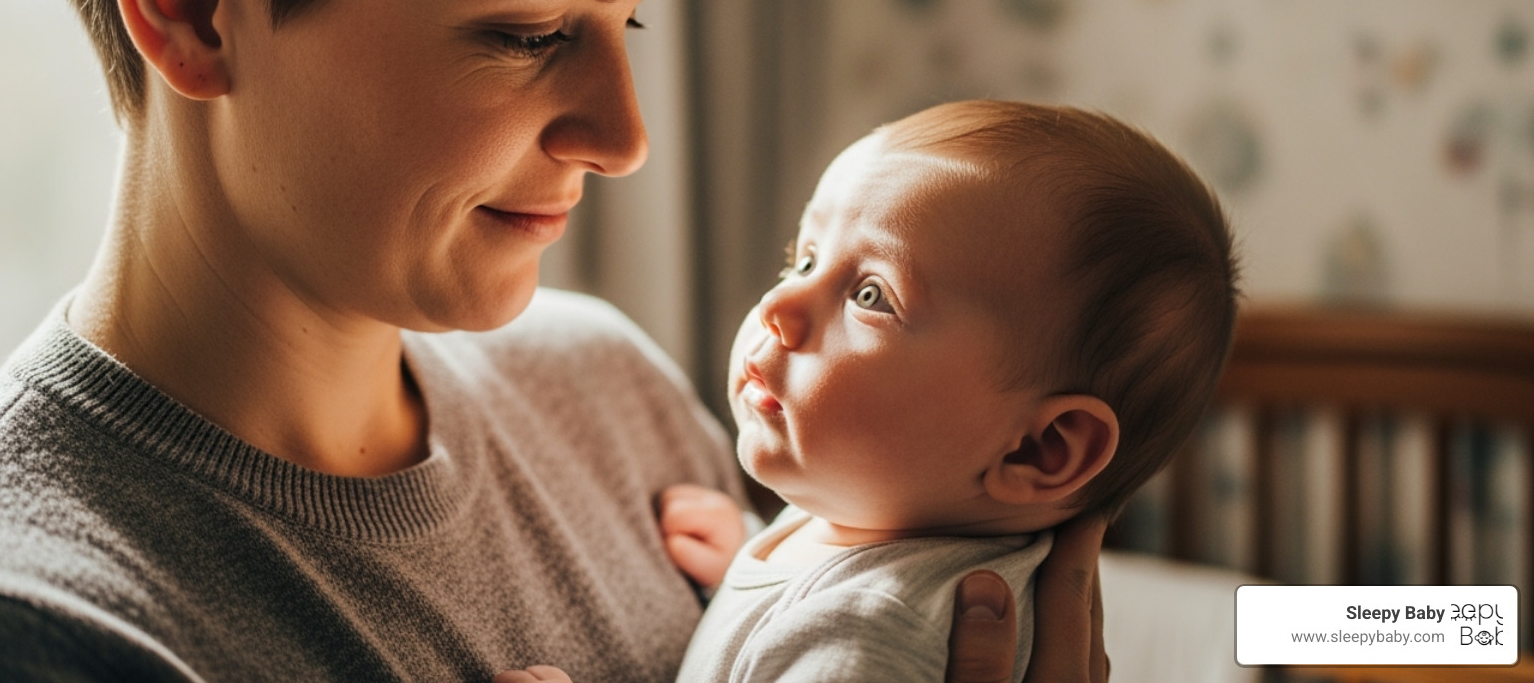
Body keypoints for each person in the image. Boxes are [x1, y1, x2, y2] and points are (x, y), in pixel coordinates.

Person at [0, 0, 1108, 681]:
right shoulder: (53, 624)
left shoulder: (609, 394)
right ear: (191, 2)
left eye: (630, 20)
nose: (624, 139)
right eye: (529, 32)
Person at [503, 100, 1237, 683]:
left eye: (871, 296)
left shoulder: (871, 634)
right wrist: (756, 570)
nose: (778, 307)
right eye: (803, 258)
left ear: (1039, 449)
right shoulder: (873, 521)